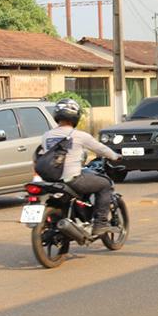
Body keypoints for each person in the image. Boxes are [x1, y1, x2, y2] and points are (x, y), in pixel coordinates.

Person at [41, 99, 122, 235]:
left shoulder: (46, 136)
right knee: (105, 184)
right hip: (72, 179)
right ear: (75, 117)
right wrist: (115, 156)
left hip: (52, 180)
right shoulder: (80, 135)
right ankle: (100, 223)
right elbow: (101, 149)